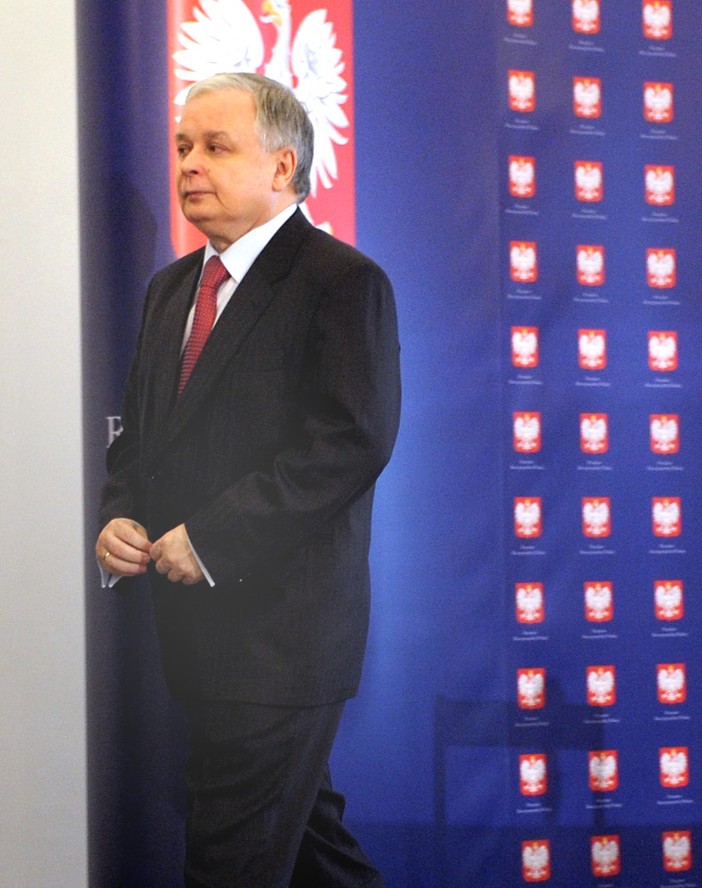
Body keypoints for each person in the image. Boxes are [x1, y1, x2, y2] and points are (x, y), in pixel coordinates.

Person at [95, 72, 399, 888]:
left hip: (279, 645)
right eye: (183, 147)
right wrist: (118, 516)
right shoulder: (170, 290)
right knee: (312, 855)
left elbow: (351, 441)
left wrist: (212, 539)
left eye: (216, 146)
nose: (190, 164)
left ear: (282, 166)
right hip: (188, 640)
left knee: (230, 864)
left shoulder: (342, 282)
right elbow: (139, 443)